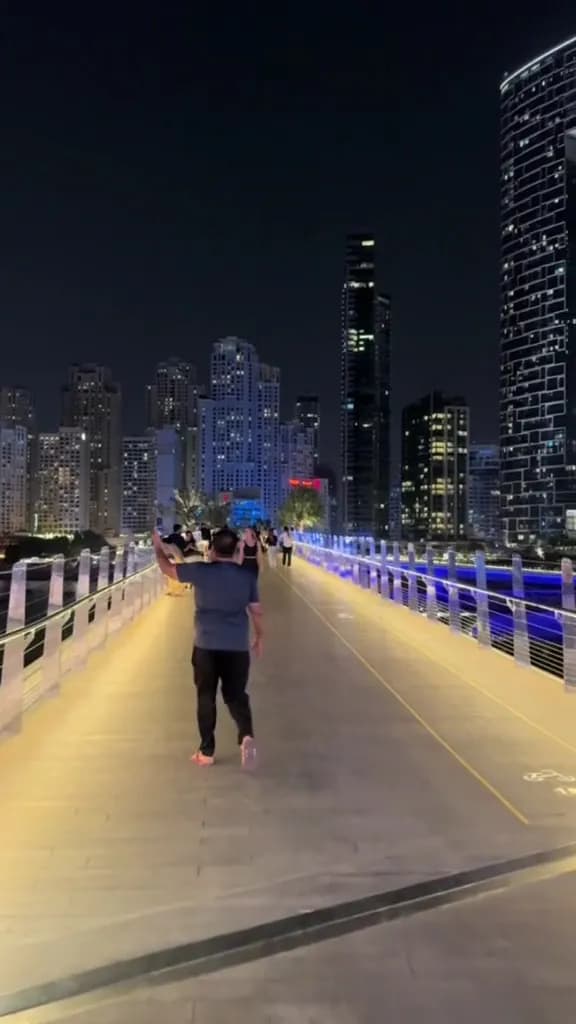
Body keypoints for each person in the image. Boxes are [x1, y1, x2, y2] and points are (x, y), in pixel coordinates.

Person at [152, 527, 262, 768]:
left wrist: (158, 548)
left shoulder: (201, 571)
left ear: (211, 550)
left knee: (206, 696)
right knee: (236, 696)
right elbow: (256, 611)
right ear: (236, 551)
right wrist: (259, 637)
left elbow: (168, 569)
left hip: (206, 645)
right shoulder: (247, 576)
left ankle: (206, 751)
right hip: (237, 647)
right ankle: (246, 735)